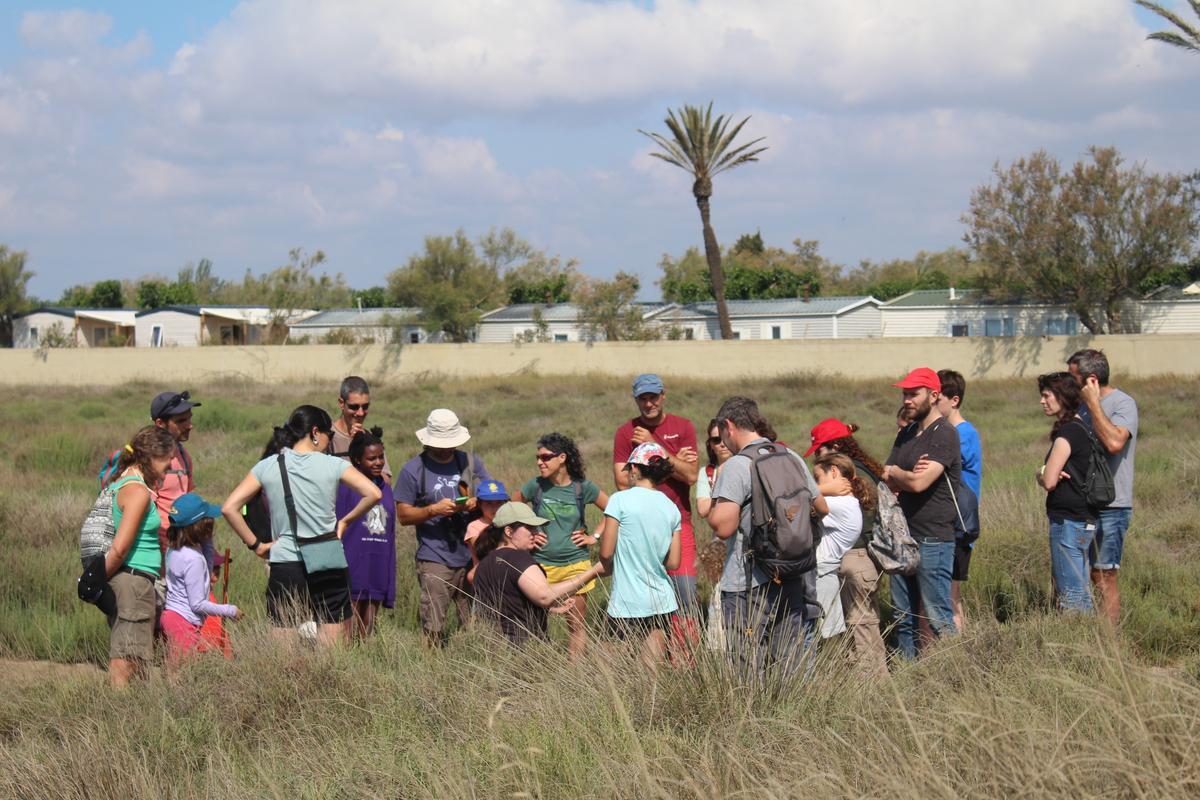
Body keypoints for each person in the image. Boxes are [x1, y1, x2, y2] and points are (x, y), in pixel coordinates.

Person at [221, 405, 382, 647]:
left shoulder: (268, 465)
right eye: (329, 435)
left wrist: (256, 545)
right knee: (332, 652)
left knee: (284, 654)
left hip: (285, 562)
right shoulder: (333, 464)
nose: (329, 443)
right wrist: (345, 521)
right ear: (315, 432)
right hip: (328, 560)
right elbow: (373, 493)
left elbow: (229, 507)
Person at [708, 397, 827, 679]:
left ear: (728, 426)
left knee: (746, 668)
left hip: (747, 581)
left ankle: (752, 721)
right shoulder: (791, 456)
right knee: (789, 666)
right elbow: (822, 508)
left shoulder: (738, 465)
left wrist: (715, 502)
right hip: (791, 573)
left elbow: (723, 527)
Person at [612, 374, 699, 651]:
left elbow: (691, 476)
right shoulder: (626, 432)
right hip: (637, 523)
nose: (648, 403)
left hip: (678, 520)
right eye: (643, 398)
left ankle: (684, 658)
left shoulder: (683, 427)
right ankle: (643, 656)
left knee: (685, 590)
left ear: (663, 396)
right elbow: (621, 481)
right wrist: (674, 462)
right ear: (636, 399)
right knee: (643, 590)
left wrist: (656, 447)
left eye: (653, 397)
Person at [395, 408, 493, 646]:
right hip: (434, 557)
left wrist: (476, 502)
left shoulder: (470, 462)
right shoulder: (413, 469)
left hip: (472, 554)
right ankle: (430, 667)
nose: (446, 448)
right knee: (433, 624)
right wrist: (432, 510)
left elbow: (491, 495)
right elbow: (403, 515)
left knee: (474, 622)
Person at [883, 368, 962, 659]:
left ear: (933, 394)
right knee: (903, 618)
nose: (907, 400)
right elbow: (885, 476)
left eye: (913, 393)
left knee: (938, 616)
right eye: (905, 393)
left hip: (933, 538)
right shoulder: (906, 433)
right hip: (903, 536)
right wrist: (900, 474)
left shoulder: (945, 434)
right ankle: (909, 676)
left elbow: (919, 482)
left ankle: (959, 677)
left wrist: (898, 473)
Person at [805, 418, 889, 677]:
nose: (816, 459)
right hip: (859, 553)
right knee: (859, 625)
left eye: (819, 451)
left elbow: (812, 502)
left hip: (854, 556)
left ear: (835, 448)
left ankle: (873, 685)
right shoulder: (862, 470)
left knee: (860, 625)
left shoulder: (850, 477)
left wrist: (822, 487)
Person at [514, 432, 608, 659]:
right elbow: (514, 504)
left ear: (562, 458)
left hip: (576, 564)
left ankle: (575, 673)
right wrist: (531, 531)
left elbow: (614, 510)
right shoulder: (535, 486)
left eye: (545, 457)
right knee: (533, 625)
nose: (539, 462)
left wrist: (594, 536)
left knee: (576, 625)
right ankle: (537, 666)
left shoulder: (582, 487)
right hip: (540, 566)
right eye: (537, 457)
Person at [102, 425, 177, 687]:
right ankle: (119, 719)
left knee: (137, 658)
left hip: (132, 581)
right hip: (133, 582)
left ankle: (130, 715)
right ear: (151, 457)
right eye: (167, 463)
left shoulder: (124, 481)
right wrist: (96, 580)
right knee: (126, 661)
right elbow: (120, 548)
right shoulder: (137, 491)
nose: (168, 470)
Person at [1068, 349, 1138, 626]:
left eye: (1074, 379)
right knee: (1078, 573)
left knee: (1104, 575)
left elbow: (1114, 443)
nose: (1070, 385)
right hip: (1082, 505)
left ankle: (1110, 641)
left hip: (1112, 506)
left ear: (1092, 380)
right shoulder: (1081, 408)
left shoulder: (1123, 404)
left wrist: (1094, 405)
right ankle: (1082, 630)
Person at [472, 502, 605, 646]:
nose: (535, 532)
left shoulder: (483, 565)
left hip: (493, 650)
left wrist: (551, 608)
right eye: (529, 528)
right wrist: (593, 572)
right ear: (509, 532)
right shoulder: (518, 558)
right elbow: (544, 596)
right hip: (526, 650)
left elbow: (509, 602)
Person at [600, 442, 683, 671]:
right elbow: (674, 562)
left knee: (613, 672)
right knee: (651, 672)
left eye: (628, 470)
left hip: (626, 601)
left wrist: (606, 565)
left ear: (635, 469)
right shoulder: (671, 508)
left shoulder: (619, 500)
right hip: (661, 600)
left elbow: (606, 552)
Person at [1036, 371, 1098, 613]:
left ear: (1062, 397)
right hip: (1084, 520)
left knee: (1071, 595)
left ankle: (1079, 644)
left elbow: (1050, 480)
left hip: (1068, 522)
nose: (1042, 401)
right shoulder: (1083, 427)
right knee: (1080, 589)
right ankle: (1092, 640)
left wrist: (1039, 473)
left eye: (1046, 395)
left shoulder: (1067, 433)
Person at [161, 493, 241, 667]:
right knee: (180, 673)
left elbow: (208, 563)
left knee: (177, 668)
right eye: (209, 522)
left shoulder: (174, 550)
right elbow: (197, 604)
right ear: (200, 527)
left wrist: (207, 539)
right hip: (184, 621)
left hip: (174, 617)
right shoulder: (193, 560)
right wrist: (230, 610)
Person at [338, 427, 397, 640]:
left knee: (368, 628)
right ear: (356, 460)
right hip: (353, 562)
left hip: (378, 561)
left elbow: (390, 532)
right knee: (349, 628)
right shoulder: (345, 487)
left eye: (381, 457)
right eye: (372, 458)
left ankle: (366, 661)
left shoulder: (386, 489)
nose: (379, 462)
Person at [935, 369, 982, 633]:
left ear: (954, 400)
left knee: (950, 598)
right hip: (947, 524)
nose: (933, 404)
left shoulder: (962, 433)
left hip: (958, 526)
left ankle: (956, 650)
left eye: (938, 398)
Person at [812, 453, 870, 640]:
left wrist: (822, 488)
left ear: (834, 472)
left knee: (816, 637)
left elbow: (794, 500)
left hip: (820, 577)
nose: (815, 482)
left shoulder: (840, 504)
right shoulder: (848, 503)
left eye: (818, 477)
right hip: (823, 574)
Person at [696, 418, 733, 651]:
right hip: (719, 544)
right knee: (719, 597)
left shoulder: (748, 463)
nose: (721, 445)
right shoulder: (708, 472)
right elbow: (702, 509)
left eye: (725, 438)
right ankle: (720, 650)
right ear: (710, 444)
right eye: (715, 440)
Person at [150, 391, 200, 554]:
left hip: (181, 547)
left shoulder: (184, 456)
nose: (189, 425)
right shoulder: (149, 459)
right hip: (157, 551)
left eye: (189, 418)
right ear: (160, 423)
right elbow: (141, 511)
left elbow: (189, 502)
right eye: (181, 421)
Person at [330, 376, 392, 482]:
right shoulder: (328, 437)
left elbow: (387, 480)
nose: (360, 413)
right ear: (341, 403)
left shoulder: (369, 438)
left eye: (365, 407)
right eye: (354, 407)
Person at [466, 480, 511, 583]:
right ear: (480, 504)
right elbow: (484, 552)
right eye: (489, 503)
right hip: (486, 576)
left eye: (499, 502)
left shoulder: (510, 522)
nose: (495, 508)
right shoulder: (474, 526)